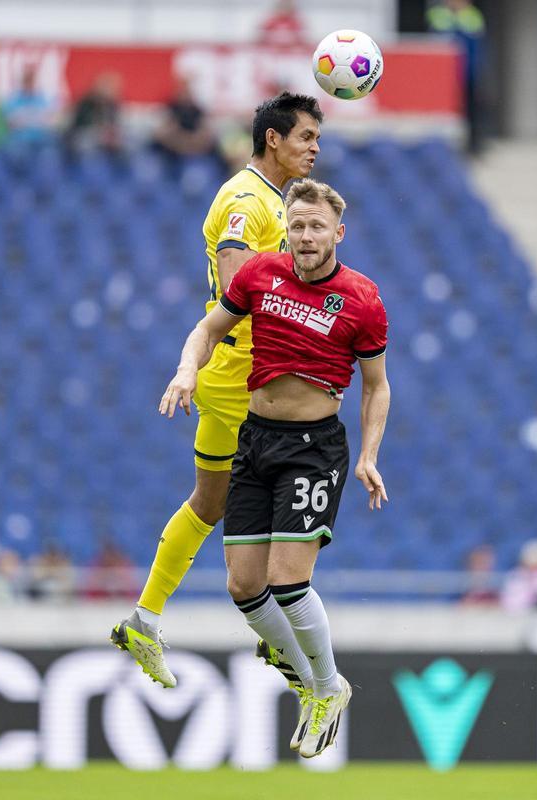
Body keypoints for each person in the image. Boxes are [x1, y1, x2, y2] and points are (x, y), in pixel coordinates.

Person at [157, 178, 389, 759]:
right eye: (297, 224)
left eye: (317, 227)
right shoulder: (260, 274)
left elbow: (377, 386)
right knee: (242, 584)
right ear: (285, 227)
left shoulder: (361, 298)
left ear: (339, 232)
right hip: (254, 439)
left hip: (312, 447)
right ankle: (319, 688)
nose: (306, 236)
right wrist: (187, 370)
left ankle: (328, 684)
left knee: (288, 581)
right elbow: (209, 328)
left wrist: (368, 455)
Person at [109, 92, 324, 690]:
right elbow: (238, 283)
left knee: (210, 503)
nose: (314, 149)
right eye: (305, 137)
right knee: (281, 508)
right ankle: (286, 649)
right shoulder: (244, 198)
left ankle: (145, 618)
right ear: (273, 139)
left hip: (235, 373)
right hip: (243, 381)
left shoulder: (277, 201)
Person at [427, 0, 486, 153]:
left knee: (472, 112)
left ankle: (474, 147)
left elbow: (478, 49)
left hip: (468, 74)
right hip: (444, 77)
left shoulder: (473, 16)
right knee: (446, 115)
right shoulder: (438, 15)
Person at [152, 79, 217, 160]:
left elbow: (206, 137)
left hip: (197, 154)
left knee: (198, 170)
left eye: (188, 90)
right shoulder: (168, 109)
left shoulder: (201, 110)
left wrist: (188, 145)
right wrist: (181, 144)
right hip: (168, 154)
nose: (185, 93)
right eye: (182, 89)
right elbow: (162, 135)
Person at [65, 73, 123, 156]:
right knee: (83, 145)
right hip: (82, 135)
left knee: (123, 145)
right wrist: (100, 132)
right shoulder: (86, 103)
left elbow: (114, 125)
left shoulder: (112, 106)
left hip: (103, 138)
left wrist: (111, 134)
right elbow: (79, 125)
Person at [3, 66, 56, 151]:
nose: (29, 84)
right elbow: (10, 124)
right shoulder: (13, 100)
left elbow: (50, 121)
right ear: (23, 82)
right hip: (20, 140)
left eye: (32, 81)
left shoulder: (43, 99)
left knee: (50, 155)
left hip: (41, 140)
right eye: (27, 80)